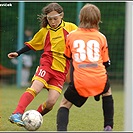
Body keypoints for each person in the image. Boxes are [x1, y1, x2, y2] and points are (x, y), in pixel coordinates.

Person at [8, 2, 77, 127]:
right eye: (50, 19)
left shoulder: (71, 28)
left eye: (55, 18)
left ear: (62, 16)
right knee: (35, 88)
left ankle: (32, 120)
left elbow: (81, 40)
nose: (53, 21)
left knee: (50, 103)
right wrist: (18, 53)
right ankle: (17, 113)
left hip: (61, 72)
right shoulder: (44, 31)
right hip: (47, 65)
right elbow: (32, 44)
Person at [56, 3, 114, 131]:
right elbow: (106, 63)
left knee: (64, 104)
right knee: (107, 92)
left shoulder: (71, 36)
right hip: (99, 78)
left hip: (80, 80)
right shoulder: (101, 37)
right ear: (98, 19)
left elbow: (68, 57)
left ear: (80, 17)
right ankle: (108, 125)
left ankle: (61, 130)